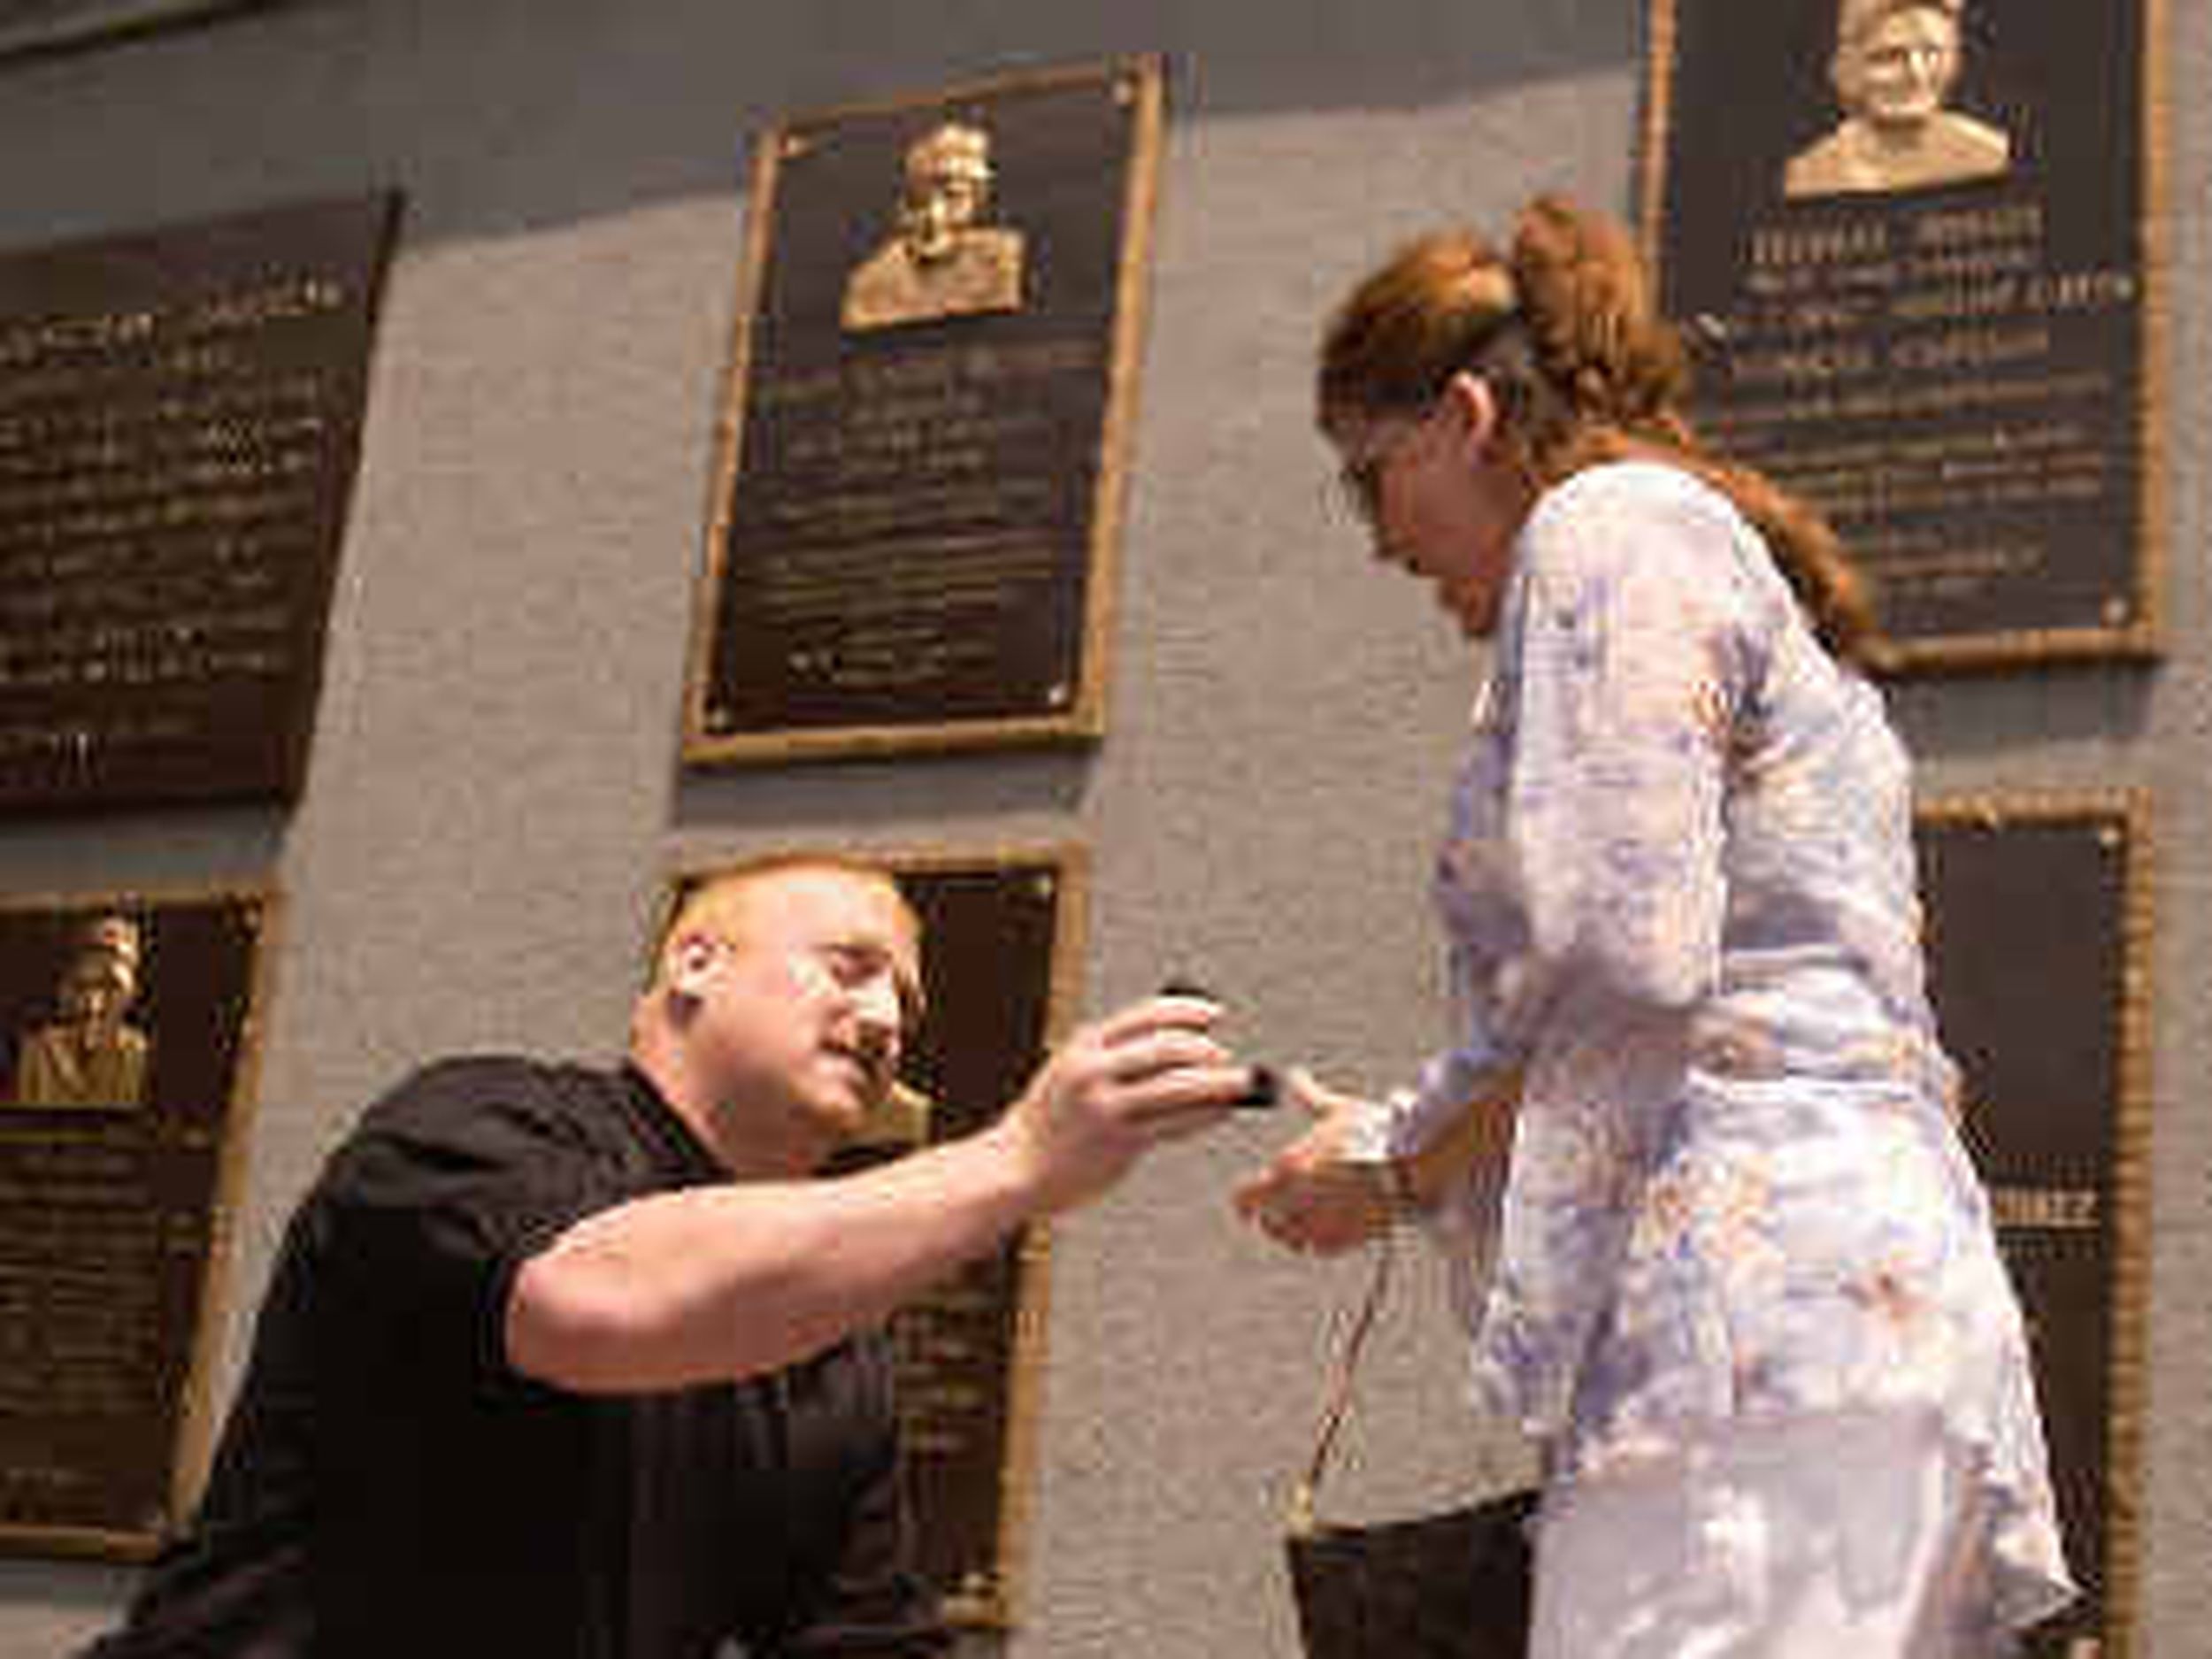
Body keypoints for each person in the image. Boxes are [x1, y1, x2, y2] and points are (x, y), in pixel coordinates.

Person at [1233, 198, 2073, 1655]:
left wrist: (1393, 1156)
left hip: (1746, 1358)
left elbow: (1625, 955)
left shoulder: (1608, 529)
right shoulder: (1696, 552)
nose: (1379, 543)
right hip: (1822, 1344)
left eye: (1371, 480)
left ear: (1466, 415)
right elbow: (1680, 994)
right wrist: (1421, 1153)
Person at [83, 854, 1251, 1659]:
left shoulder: (828, 1347)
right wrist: (1021, 1160)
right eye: (850, 964)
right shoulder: (474, 1122)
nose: (890, 1017)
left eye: (905, 994)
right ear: (694, 961)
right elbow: (596, 1301)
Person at [1784, 0, 2010, 198]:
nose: (1917, 75)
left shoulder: (1989, 154)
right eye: (1890, 57)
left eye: (1932, 54)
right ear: (1844, 70)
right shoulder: (1811, 173)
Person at [841, 120, 1026, 333]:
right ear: (902, 207)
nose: (934, 216)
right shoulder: (872, 284)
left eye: (954, 198)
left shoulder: (1001, 257)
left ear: (978, 201)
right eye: (919, 201)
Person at [11, 914, 150, 1110]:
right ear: (64, 990)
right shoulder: (37, 1052)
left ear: (132, 994)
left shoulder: (138, 1054)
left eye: (111, 988)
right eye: (81, 986)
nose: (94, 1005)